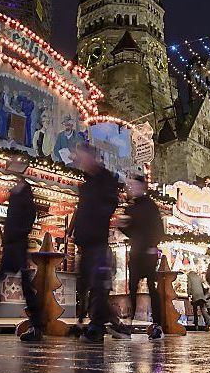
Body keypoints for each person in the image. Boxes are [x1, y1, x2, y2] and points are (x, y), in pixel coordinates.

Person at [0, 156, 43, 341]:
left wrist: (17, 233)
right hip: (12, 244)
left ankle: (36, 325)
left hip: (16, 244)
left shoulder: (24, 190)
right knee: (7, 282)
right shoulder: (17, 189)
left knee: (21, 286)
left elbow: (31, 215)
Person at [71, 143, 120, 342]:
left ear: (91, 158)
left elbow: (110, 204)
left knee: (98, 285)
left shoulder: (105, 179)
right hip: (85, 242)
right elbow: (81, 211)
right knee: (84, 283)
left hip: (98, 241)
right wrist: (76, 233)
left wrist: (97, 219)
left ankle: (97, 326)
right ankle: (85, 321)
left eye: (82, 157)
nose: (80, 161)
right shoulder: (86, 184)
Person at [118, 174, 165, 340]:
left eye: (132, 186)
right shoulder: (130, 207)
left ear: (140, 187)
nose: (129, 189)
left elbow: (159, 229)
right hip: (136, 252)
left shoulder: (150, 206)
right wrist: (123, 226)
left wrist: (153, 245)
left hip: (149, 252)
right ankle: (129, 324)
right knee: (132, 287)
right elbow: (129, 230)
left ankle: (158, 324)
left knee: (152, 288)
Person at [187, 265, 210, 330]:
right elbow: (203, 286)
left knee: (195, 310)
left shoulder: (189, 276)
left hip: (195, 295)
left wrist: (189, 294)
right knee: (202, 309)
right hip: (201, 295)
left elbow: (189, 286)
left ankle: (196, 325)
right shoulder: (199, 277)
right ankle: (207, 323)